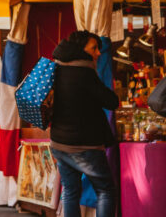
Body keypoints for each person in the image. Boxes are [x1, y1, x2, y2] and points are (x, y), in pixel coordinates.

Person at [50, 31, 118, 217]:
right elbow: (111, 101)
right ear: (81, 49)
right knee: (105, 190)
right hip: (84, 145)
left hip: (59, 143)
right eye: (94, 48)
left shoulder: (58, 67)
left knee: (70, 191)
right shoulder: (85, 71)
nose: (98, 53)